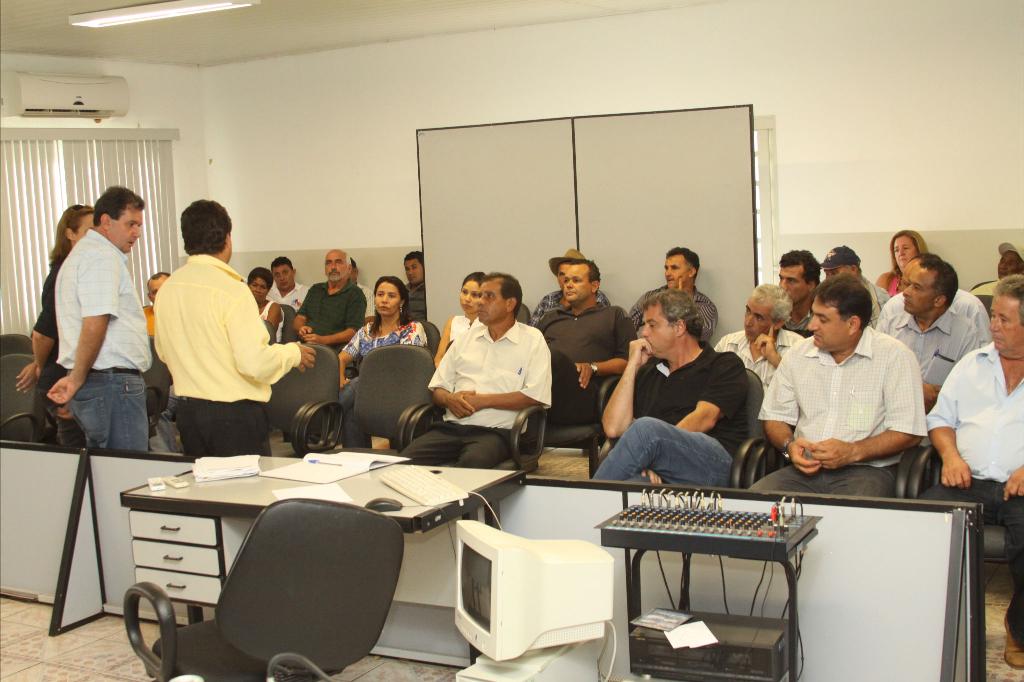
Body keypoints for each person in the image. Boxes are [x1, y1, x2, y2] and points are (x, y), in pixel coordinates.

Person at [154, 200, 315, 456]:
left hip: (189, 415)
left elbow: (163, 352)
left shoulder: (168, 289)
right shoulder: (232, 289)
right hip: (233, 418)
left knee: (206, 493)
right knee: (246, 495)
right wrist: (293, 353)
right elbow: (255, 362)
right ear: (227, 239)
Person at [919, 274, 1024, 668]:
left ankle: (1019, 629)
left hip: (1020, 488)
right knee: (921, 522)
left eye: (1004, 320)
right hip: (969, 480)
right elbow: (941, 419)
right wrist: (950, 456)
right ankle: (935, 623)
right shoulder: (972, 364)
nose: (993, 326)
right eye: (993, 316)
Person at [751, 274, 926, 497]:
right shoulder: (799, 355)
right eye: (813, 315)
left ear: (853, 324)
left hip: (867, 471)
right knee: (753, 505)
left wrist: (853, 451)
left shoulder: (894, 357)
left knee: (849, 517)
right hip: (804, 471)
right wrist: (789, 446)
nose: (812, 325)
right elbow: (775, 416)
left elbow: (908, 431)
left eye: (823, 319)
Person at [593, 288, 748, 486]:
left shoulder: (723, 364)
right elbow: (614, 428)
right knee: (634, 483)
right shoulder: (649, 370)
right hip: (661, 463)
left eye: (652, 325)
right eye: (644, 325)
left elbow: (704, 419)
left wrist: (655, 453)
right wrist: (632, 365)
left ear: (679, 327)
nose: (643, 333)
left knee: (646, 428)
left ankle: (582, 506)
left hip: (713, 463)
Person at [401, 273, 551, 468]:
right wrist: (449, 399)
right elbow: (437, 389)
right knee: (401, 465)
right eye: (479, 296)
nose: (480, 302)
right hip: (451, 428)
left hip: (497, 432)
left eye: (488, 296)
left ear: (510, 304)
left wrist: (482, 401)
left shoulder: (532, 340)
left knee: (470, 468)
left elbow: (535, 396)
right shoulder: (465, 339)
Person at [49, 187, 152, 451]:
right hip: (112, 383)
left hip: (102, 381)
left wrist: (76, 377)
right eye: (131, 224)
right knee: (126, 476)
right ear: (106, 221)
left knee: (108, 474)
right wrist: (77, 379)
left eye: (139, 225)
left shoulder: (85, 254)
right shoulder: (101, 256)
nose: (137, 233)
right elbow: (95, 321)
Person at [14, 204, 93, 447]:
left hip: (71, 373)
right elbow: (42, 334)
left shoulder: (82, 270)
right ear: (70, 234)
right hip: (63, 377)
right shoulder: (64, 274)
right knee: (77, 449)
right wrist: (39, 364)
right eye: (89, 231)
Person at [877, 254, 989, 411]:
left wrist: (939, 395)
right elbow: (873, 373)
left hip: (940, 419)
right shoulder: (892, 321)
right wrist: (915, 390)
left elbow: (972, 388)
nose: (906, 292)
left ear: (938, 300)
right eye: (907, 285)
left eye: (916, 288)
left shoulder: (966, 333)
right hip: (890, 415)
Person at [536, 259, 633, 425]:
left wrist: (593, 367)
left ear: (594, 286)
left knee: (553, 357)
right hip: (543, 389)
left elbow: (628, 362)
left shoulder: (614, 315)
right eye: (566, 280)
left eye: (576, 280)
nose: (569, 285)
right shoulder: (550, 317)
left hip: (585, 392)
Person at [338, 276, 428, 448]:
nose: (384, 300)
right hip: (368, 392)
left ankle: (329, 410)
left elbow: (408, 367)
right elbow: (341, 358)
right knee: (352, 406)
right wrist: (340, 378)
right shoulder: (367, 331)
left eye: (391, 296)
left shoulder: (412, 329)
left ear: (401, 301)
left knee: (357, 385)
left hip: (400, 390)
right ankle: (357, 460)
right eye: (380, 294)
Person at [714, 284, 803, 387]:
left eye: (759, 317)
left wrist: (776, 360)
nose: (748, 322)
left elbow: (805, 392)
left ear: (778, 323)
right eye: (748, 311)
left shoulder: (797, 348)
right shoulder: (728, 344)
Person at [629, 247, 717, 343]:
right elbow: (627, 331)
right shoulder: (650, 297)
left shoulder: (705, 306)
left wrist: (681, 305)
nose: (667, 273)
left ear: (691, 272)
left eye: (674, 268)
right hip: (645, 353)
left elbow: (698, 340)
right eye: (666, 268)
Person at [293, 249, 367, 351]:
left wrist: (323, 340)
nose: (333, 267)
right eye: (328, 263)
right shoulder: (315, 289)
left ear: (349, 269)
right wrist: (301, 328)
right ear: (325, 269)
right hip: (305, 346)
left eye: (338, 262)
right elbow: (299, 318)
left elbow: (353, 332)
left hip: (334, 352)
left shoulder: (355, 294)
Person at [529, 248, 611, 326]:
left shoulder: (597, 298)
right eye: (562, 274)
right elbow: (532, 334)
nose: (566, 280)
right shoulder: (549, 299)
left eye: (575, 278)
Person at [820, 245, 889, 327]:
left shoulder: (878, 298)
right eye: (827, 274)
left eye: (834, 273)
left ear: (853, 269)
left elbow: (876, 336)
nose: (829, 279)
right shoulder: (827, 294)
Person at [436, 271, 485, 367]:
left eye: (474, 295)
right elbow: (439, 359)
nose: (467, 299)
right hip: (450, 377)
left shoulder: (489, 326)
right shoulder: (452, 321)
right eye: (464, 292)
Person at [777, 250, 820, 337]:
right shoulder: (773, 315)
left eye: (791, 281)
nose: (782, 286)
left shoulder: (824, 320)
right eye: (781, 279)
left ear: (811, 285)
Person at [876, 229, 928, 297]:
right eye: (896, 250)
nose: (900, 253)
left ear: (918, 251)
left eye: (905, 248)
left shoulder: (929, 280)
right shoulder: (885, 279)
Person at [248, 267, 282, 342]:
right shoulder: (241, 304)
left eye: (263, 287)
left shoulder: (274, 307)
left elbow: (267, 336)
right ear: (248, 286)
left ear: (268, 290)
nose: (257, 290)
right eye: (254, 285)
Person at [143, 272, 170, 336]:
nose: (160, 294)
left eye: (164, 289)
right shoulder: (141, 316)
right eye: (155, 292)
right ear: (150, 297)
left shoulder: (185, 314)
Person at [404, 250, 427, 322]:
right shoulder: (401, 290)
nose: (410, 272)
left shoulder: (430, 291)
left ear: (424, 267)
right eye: (407, 269)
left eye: (414, 267)